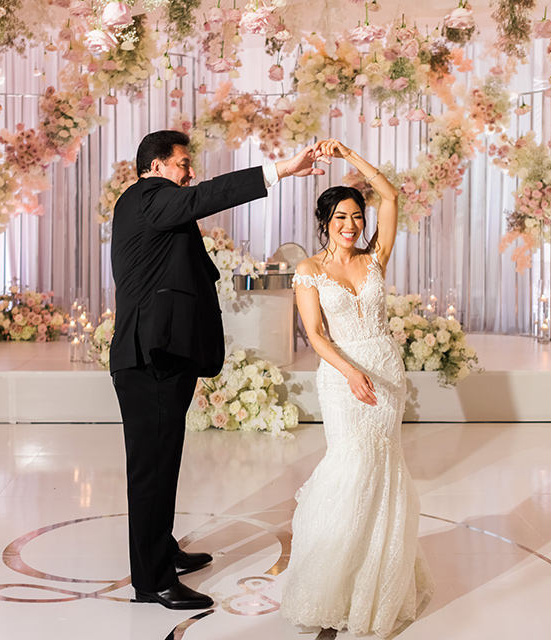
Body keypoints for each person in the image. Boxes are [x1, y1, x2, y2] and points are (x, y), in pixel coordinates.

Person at [110, 130, 328, 610]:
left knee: (162, 464)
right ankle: (152, 581)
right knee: (151, 471)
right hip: (151, 360)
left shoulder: (153, 205)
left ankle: (160, 548)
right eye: (183, 164)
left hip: (160, 357)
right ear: (155, 167)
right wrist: (282, 170)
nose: (191, 173)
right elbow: (210, 196)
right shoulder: (148, 197)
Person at [281, 139, 434, 636]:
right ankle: (333, 581)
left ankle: (377, 578)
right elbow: (316, 335)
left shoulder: (375, 259)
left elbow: (391, 197)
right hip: (342, 372)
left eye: (357, 218)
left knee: (382, 465)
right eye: (341, 218)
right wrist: (349, 373)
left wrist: (348, 155)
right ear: (324, 222)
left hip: (385, 370)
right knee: (352, 464)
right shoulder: (309, 271)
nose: (351, 227)